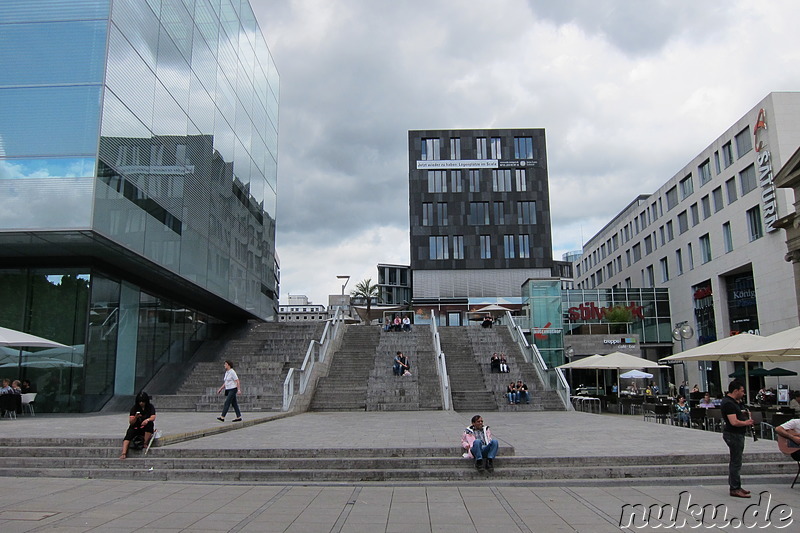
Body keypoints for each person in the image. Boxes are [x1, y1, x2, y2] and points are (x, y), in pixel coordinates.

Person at [720, 380, 755, 498]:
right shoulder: (729, 403)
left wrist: (742, 412)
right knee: (736, 462)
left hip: (735, 434)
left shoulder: (734, 402)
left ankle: (737, 486)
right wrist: (746, 422)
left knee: (736, 461)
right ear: (735, 391)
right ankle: (734, 488)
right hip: (733, 434)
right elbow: (733, 422)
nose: (743, 393)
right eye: (742, 391)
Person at [120, 391, 156, 459]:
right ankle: (124, 453)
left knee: (150, 425)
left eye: (143, 402)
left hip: (145, 426)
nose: (141, 403)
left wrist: (147, 420)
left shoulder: (150, 407)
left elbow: (153, 417)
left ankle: (145, 443)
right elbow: (131, 422)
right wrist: (136, 417)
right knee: (129, 434)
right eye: (140, 402)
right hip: (136, 426)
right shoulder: (134, 408)